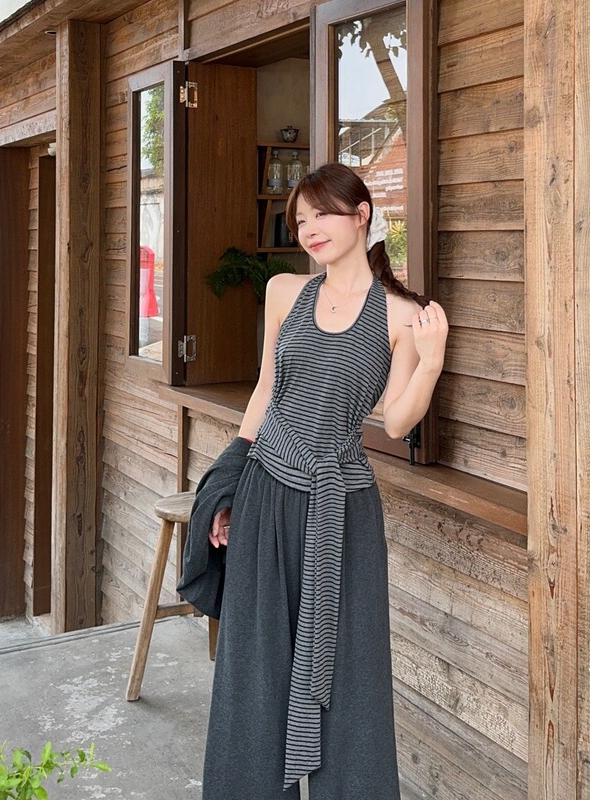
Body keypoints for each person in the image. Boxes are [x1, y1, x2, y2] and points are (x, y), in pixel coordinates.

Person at [179, 162, 448, 800]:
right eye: (300, 220)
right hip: (267, 487)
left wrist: (431, 363)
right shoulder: (284, 291)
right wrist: (229, 485)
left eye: (322, 214)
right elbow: (265, 392)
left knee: (351, 676)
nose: (309, 229)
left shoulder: (402, 314)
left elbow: (395, 420)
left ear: (361, 215)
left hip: (342, 508)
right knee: (253, 666)